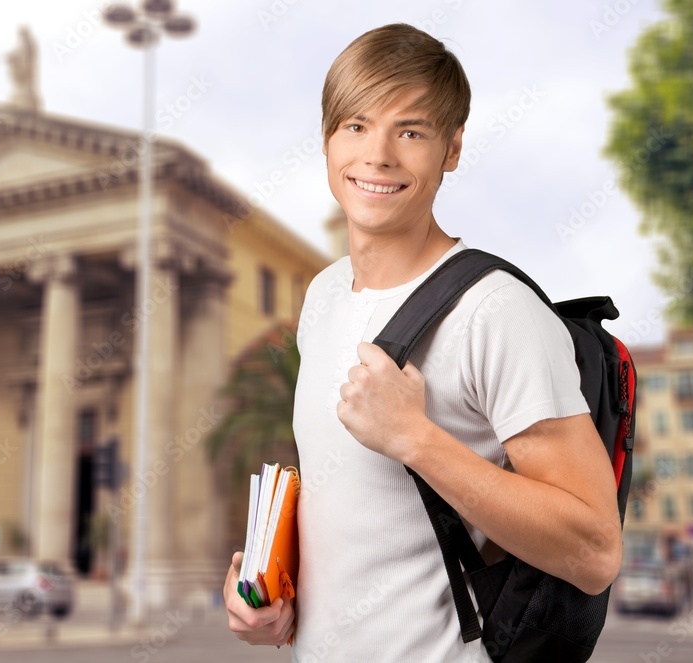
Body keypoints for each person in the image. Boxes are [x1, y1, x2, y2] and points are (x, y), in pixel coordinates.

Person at [223, 23, 622, 661]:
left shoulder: (496, 311)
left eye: (410, 131)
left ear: (452, 149)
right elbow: (361, 518)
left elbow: (595, 550)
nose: (377, 155)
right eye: (355, 126)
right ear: (326, 140)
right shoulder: (324, 296)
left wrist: (415, 438)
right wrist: (275, 601)